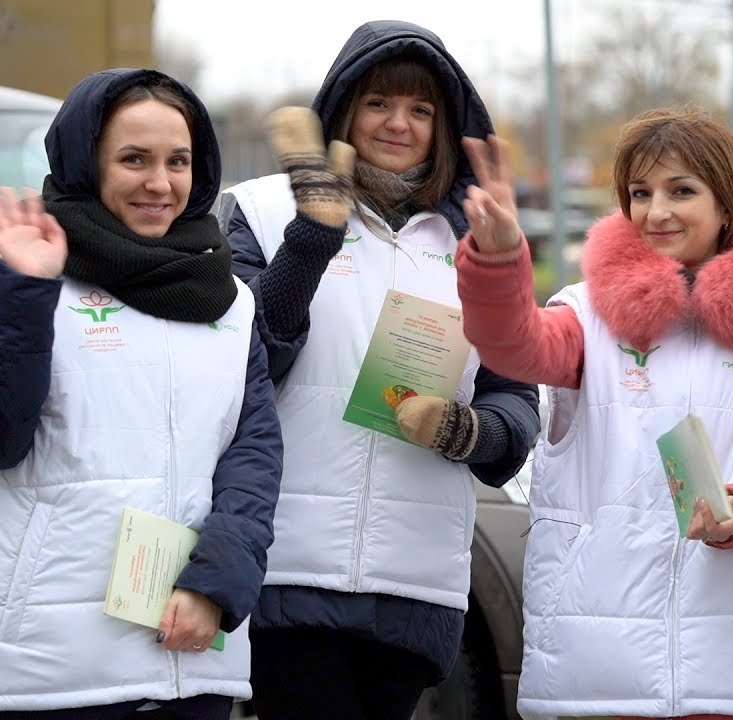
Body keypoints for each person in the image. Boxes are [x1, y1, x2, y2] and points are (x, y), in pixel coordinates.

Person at [454, 106, 733, 720]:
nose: (656, 212)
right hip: (593, 670)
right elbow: (514, 344)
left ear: (727, 201)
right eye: (640, 192)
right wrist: (498, 260)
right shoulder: (586, 313)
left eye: (682, 190)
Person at [218, 21, 540, 720]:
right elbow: (239, 366)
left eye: (420, 110)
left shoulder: (475, 240)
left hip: (415, 583)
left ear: (444, 126)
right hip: (288, 571)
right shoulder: (266, 210)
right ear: (344, 107)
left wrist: (466, 431)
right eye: (379, 103)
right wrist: (313, 236)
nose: (399, 123)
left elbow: (517, 402)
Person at [0, 69, 282, 719]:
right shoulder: (27, 276)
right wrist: (25, 293)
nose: (160, 183)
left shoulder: (232, 304)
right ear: (84, 164)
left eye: (178, 161)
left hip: (193, 662)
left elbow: (254, 459)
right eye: (134, 159)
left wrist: (217, 583)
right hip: (57, 674)